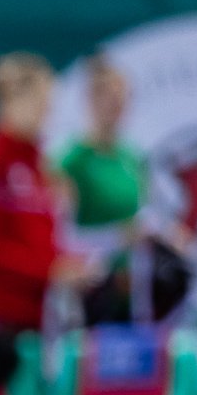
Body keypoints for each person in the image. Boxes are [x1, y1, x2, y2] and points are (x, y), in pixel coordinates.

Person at [0, 51, 92, 335]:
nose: (46, 114)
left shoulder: (42, 167)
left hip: (36, 318)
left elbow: (43, 242)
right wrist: (50, 271)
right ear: (11, 100)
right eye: (41, 104)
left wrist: (72, 265)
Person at [56, 54, 149, 324]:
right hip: (90, 291)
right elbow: (60, 237)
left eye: (123, 99)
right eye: (110, 98)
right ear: (91, 100)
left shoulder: (132, 158)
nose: (118, 107)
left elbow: (140, 220)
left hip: (133, 290)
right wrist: (116, 238)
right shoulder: (70, 163)